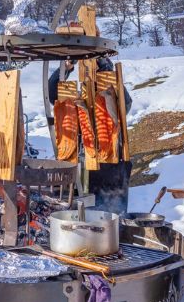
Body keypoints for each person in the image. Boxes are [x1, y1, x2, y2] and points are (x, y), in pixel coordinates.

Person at [48, 57, 132, 213]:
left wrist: (107, 71)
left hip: (111, 165)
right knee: (86, 212)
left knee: (113, 213)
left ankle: (115, 232)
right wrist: (66, 68)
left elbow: (125, 104)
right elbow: (53, 93)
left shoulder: (111, 97)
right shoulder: (78, 102)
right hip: (85, 164)